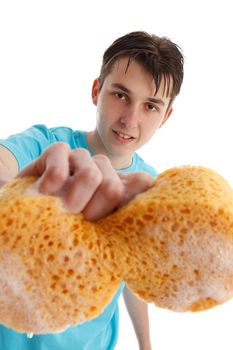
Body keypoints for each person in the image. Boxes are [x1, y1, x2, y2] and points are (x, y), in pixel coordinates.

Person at [0, 31, 184, 350]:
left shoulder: (150, 185)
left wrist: (146, 343)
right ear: (97, 90)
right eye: (121, 95)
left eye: (150, 106)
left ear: (166, 116)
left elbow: (132, 274)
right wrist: (18, 199)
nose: (130, 119)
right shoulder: (46, 146)